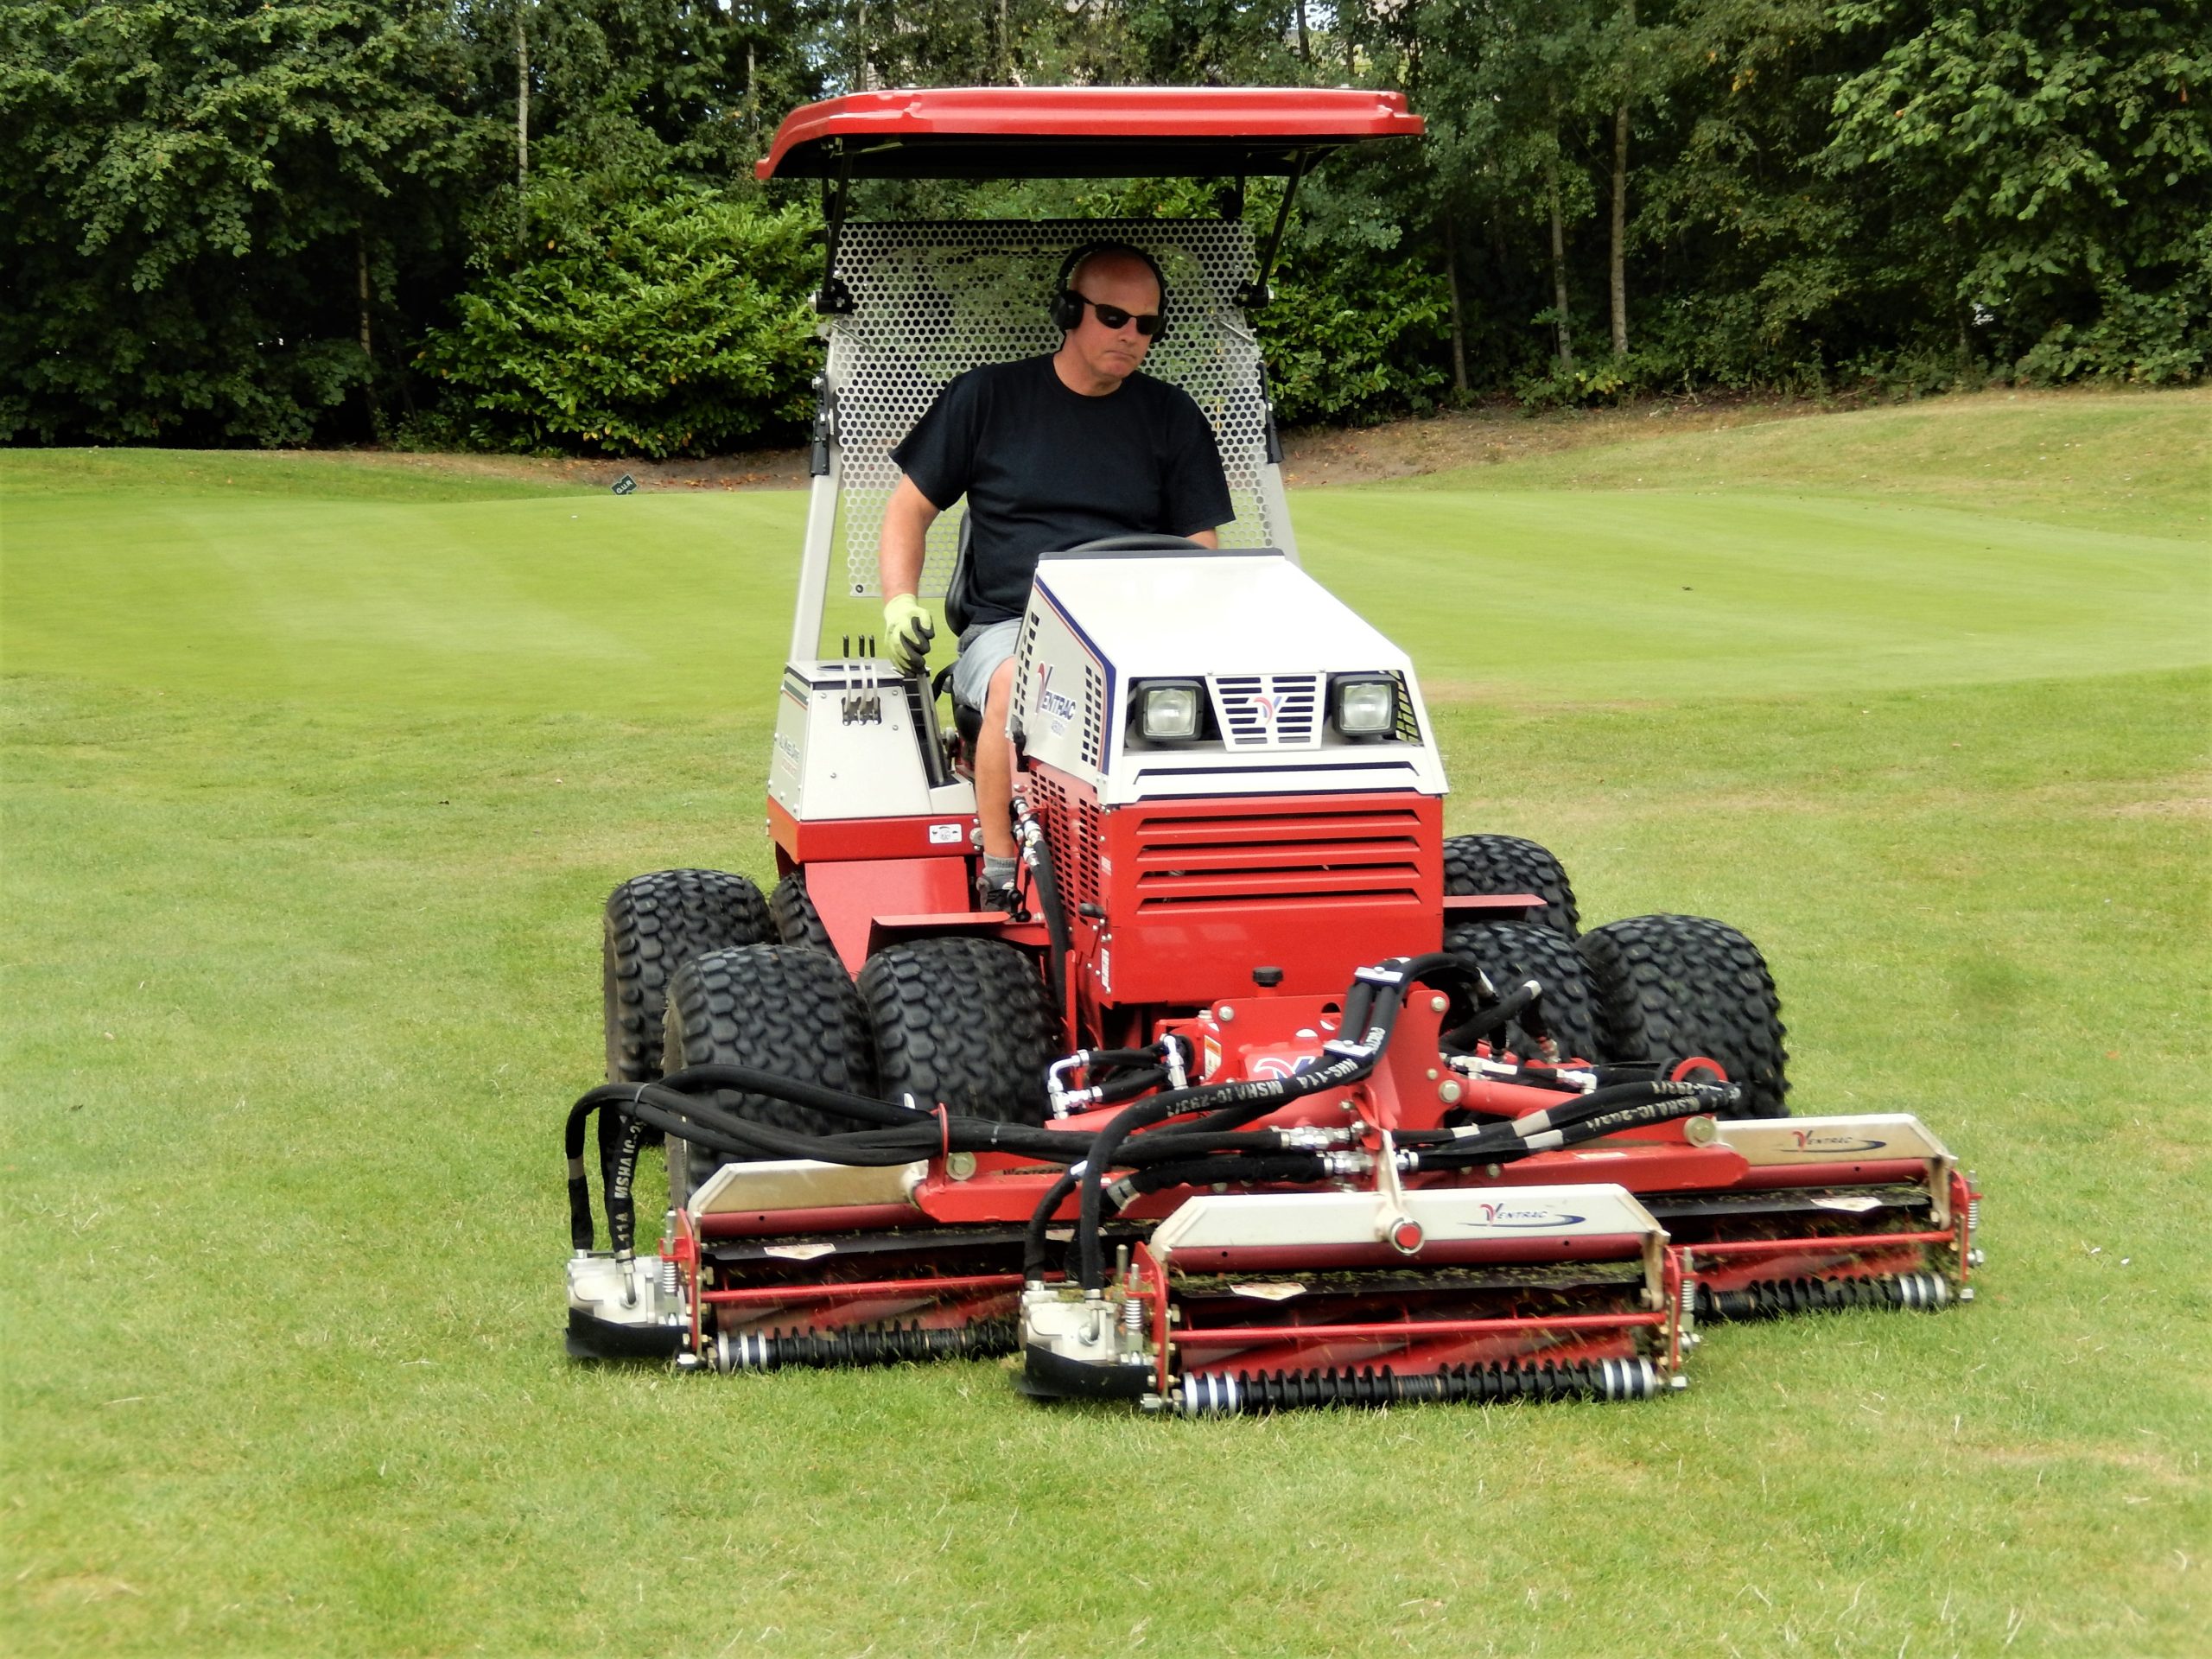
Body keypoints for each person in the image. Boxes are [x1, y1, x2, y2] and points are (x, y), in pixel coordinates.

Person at [877, 242, 1234, 908]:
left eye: (1147, 325)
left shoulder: (1171, 416)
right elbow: (908, 511)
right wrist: (900, 601)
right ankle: (1000, 871)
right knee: (1020, 684)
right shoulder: (986, 399)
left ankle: (1206, 863)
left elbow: (1199, 547)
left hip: (1136, 627)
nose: (1131, 335)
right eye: (1113, 316)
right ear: (1069, 312)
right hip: (1015, 625)